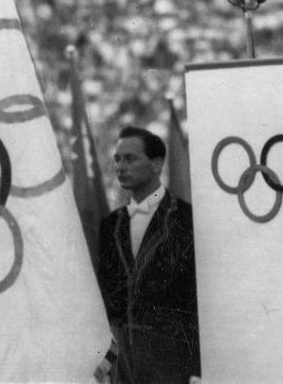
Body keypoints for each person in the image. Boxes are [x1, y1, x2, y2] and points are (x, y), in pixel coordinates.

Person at [97, 127, 200, 384]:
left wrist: (197, 369)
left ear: (156, 164)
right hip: (123, 364)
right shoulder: (111, 225)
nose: (120, 167)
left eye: (130, 158)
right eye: (117, 159)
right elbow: (108, 300)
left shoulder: (186, 219)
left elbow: (196, 300)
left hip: (171, 363)